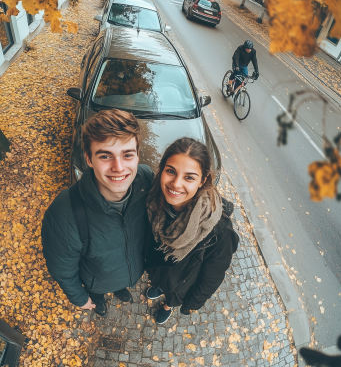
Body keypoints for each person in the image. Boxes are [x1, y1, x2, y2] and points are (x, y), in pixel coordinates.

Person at [41, 109, 153, 317]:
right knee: (97, 294)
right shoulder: (64, 213)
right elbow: (62, 269)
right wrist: (81, 298)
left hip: (131, 271)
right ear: (89, 159)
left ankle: (121, 287)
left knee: (120, 284)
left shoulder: (146, 181)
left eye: (127, 154)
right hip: (95, 281)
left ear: (137, 156)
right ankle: (99, 300)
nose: (118, 167)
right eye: (105, 156)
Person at [144, 137, 239, 324]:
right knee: (159, 282)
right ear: (162, 170)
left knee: (171, 294)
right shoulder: (152, 200)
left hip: (179, 283)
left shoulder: (220, 230)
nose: (176, 184)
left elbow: (212, 277)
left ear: (203, 180)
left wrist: (191, 303)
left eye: (189, 177)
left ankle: (167, 305)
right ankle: (159, 286)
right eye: (171, 171)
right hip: (159, 268)